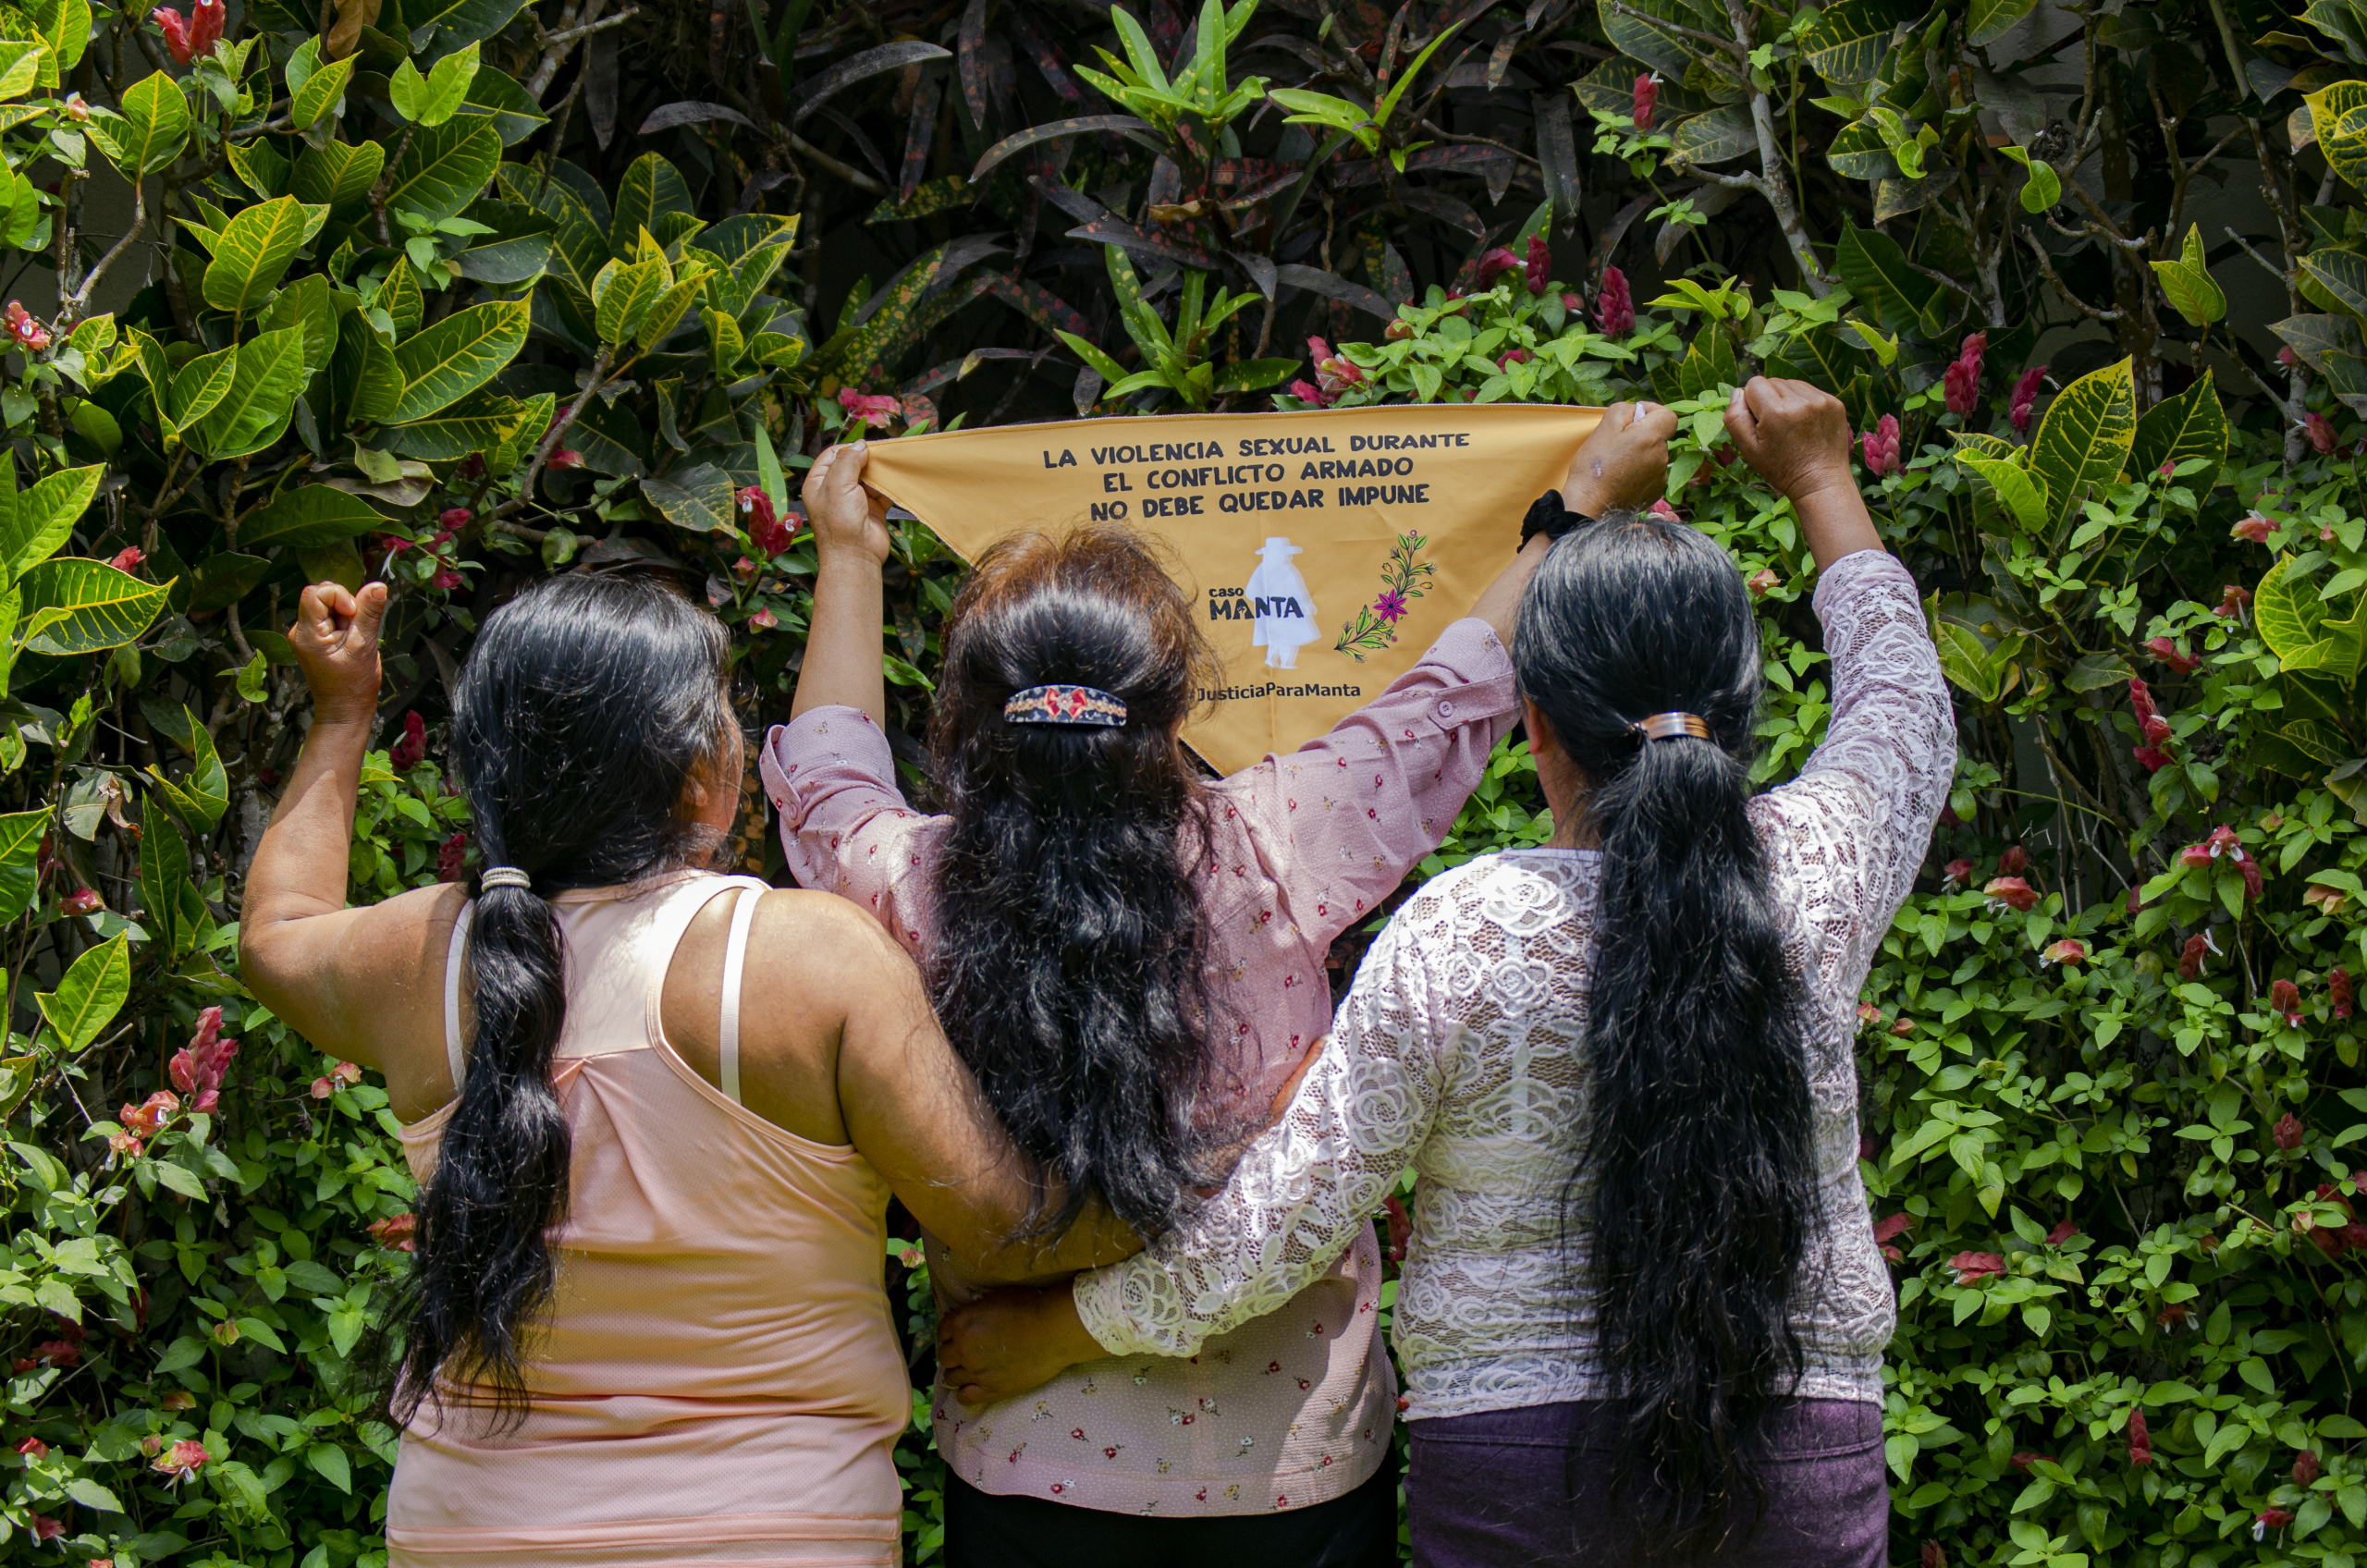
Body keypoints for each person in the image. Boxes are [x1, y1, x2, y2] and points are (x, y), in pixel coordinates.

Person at [937, 377, 1955, 1568]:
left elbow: (1286, 1223)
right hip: (1803, 1451)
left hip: (1519, 1483)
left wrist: (1064, 1328)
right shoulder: (1825, 869)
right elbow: (1905, 701)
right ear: (1741, 704)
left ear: (1533, 723)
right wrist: (1822, 479)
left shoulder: (1467, 931)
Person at [762, 404, 1677, 1566]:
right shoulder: (1279, 839)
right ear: (1176, 709)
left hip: (1028, 1462)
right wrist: (1581, 499)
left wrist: (849, 556)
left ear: (973, 721)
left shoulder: (907, 883)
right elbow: (1456, 694)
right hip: (1290, 1474)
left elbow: (830, 768)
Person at [239, 570, 1134, 1568]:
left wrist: (343, 709)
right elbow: (1013, 1229)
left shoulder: (415, 958)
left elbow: (277, 930)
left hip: (467, 1535)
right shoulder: (806, 961)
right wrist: (1255, 1173)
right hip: (769, 1533)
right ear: (702, 773)